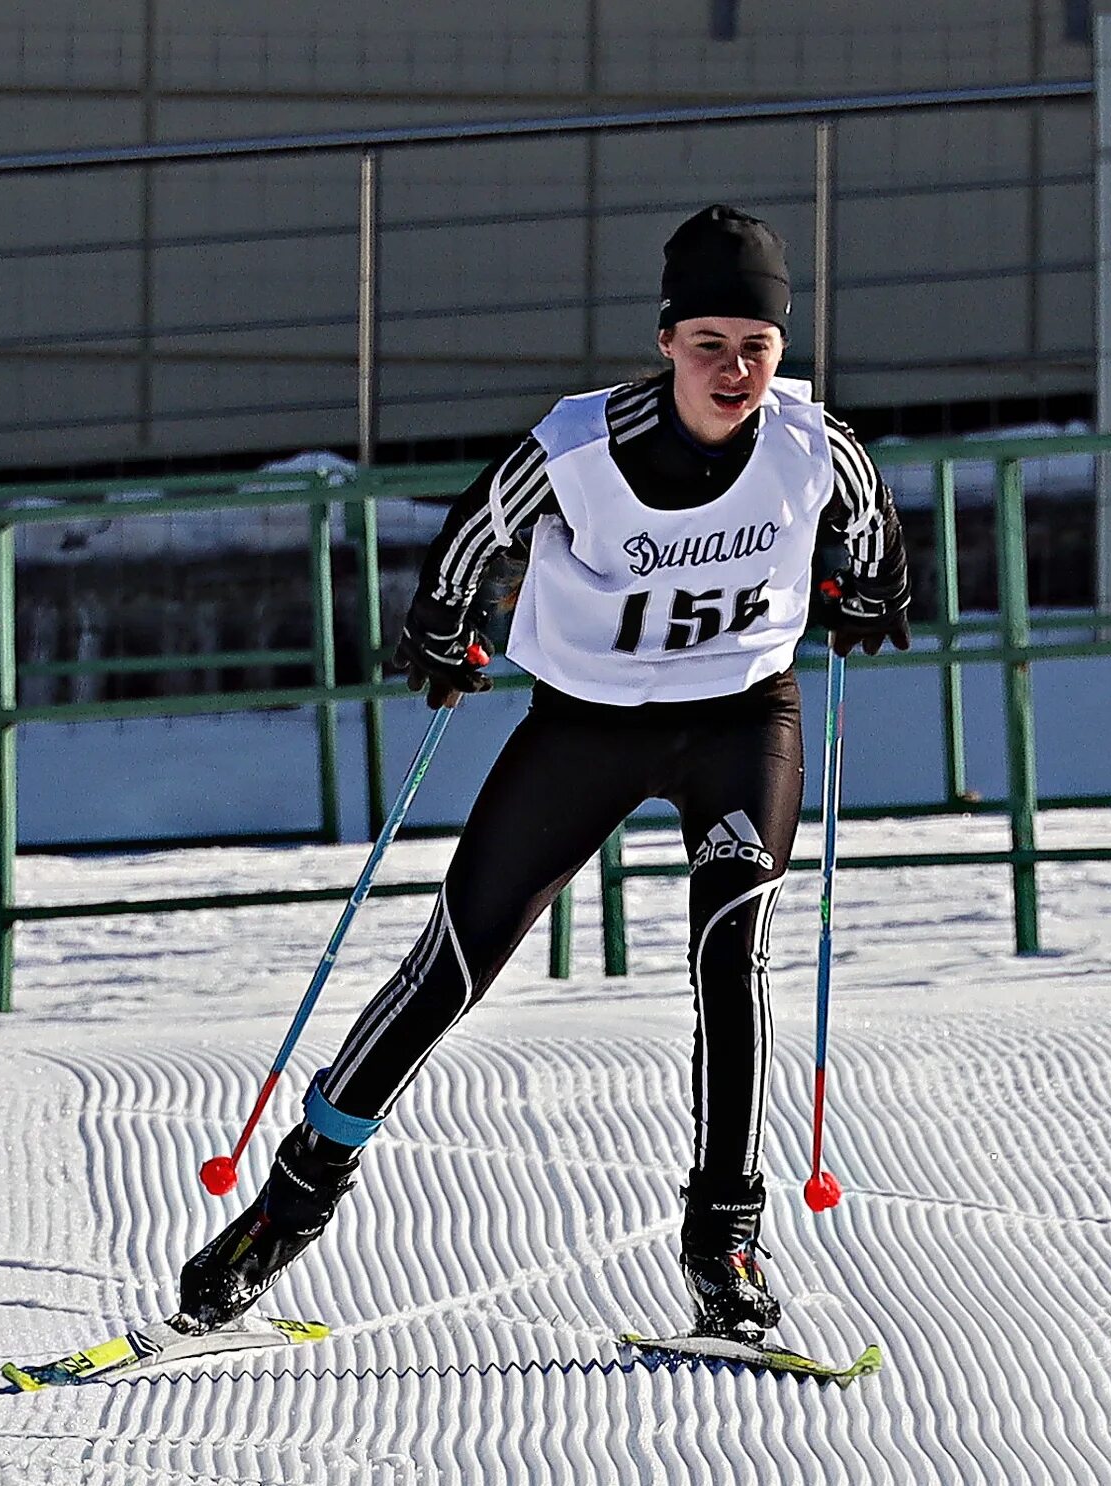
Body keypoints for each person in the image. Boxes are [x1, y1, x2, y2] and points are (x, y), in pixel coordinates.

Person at [175, 204, 909, 1346]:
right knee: (454, 965)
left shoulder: (816, 443)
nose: (735, 369)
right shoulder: (580, 445)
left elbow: (871, 532)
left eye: (757, 347)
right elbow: (472, 536)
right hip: (587, 726)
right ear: (667, 340)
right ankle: (289, 1204)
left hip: (739, 720)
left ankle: (723, 1240)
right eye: (710, 343)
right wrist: (442, 625)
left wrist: (870, 590)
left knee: (732, 952)